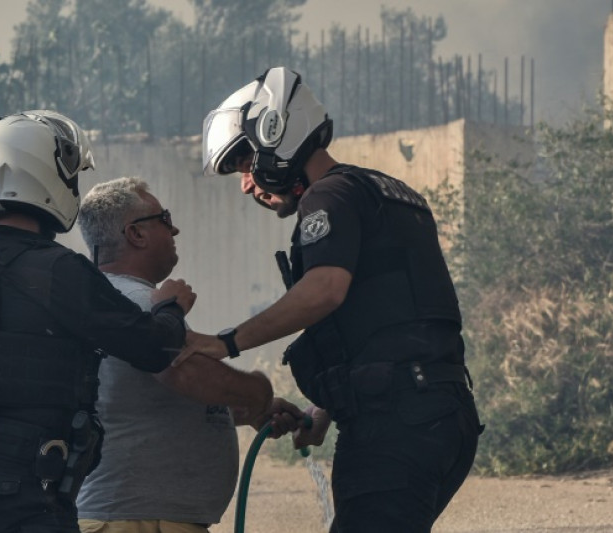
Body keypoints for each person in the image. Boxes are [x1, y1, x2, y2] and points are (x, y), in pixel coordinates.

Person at [182, 66, 484, 532]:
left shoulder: (328, 198)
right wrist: (325, 409)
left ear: (274, 133)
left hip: (395, 424)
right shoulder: (383, 192)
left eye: (244, 165)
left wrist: (225, 343)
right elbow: (391, 319)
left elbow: (324, 289)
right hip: (444, 413)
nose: (246, 184)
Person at [0, 111, 196, 533]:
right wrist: (171, 307)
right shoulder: (56, 269)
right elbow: (153, 348)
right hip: (20, 489)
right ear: (43, 174)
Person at [73, 177, 276, 533]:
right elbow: (185, 374)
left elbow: (148, 400)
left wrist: (246, 411)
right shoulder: (139, 304)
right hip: (138, 522)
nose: (175, 229)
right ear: (136, 233)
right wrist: (260, 392)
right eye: (164, 219)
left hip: (134, 518)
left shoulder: (112, 301)